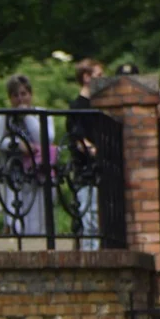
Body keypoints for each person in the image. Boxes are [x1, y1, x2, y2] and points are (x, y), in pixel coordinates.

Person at [0, 74, 57, 237]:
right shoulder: (4, 117)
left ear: (30, 94)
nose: (20, 99)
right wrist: (16, 144)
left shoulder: (42, 114)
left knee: (39, 222)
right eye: (15, 95)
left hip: (39, 174)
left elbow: (46, 138)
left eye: (24, 94)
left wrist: (27, 116)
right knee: (15, 221)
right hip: (14, 175)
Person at [66, 59, 105, 250]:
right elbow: (78, 139)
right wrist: (96, 152)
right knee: (90, 220)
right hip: (87, 173)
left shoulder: (101, 105)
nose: (103, 80)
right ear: (86, 77)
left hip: (102, 172)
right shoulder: (77, 106)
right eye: (99, 75)